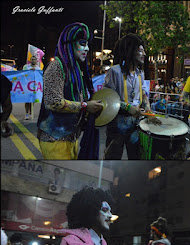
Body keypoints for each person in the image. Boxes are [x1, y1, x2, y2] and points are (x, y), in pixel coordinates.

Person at [37, 22, 103, 160]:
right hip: (54, 139)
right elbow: (53, 102)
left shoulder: (76, 69)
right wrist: (85, 106)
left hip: (71, 138)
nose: (86, 48)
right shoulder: (56, 66)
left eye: (87, 44)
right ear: (70, 44)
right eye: (82, 43)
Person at [103, 33, 161, 160]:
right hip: (117, 123)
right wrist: (127, 107)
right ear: (130, 51)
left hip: (136, 124)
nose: (144, 54)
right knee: (112, 159)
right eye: (140, 51)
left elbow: (144, 95)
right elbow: (108, 97)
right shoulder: (115, 71)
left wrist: (150, 113)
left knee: (136, 157)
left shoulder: (141, 73)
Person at [23, 55, 41, 120]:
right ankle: (26, 113)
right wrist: (29, 71)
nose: (33, 60)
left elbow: (39, 77)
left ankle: (31, 113)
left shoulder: (38, 68)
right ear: (30, 60)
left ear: (36, 61)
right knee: (27, 100)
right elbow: (23, 74)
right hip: (27, 86)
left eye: (34, 59)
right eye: (32, 59)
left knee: (32, 101)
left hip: (34, 86)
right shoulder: (26, 67)